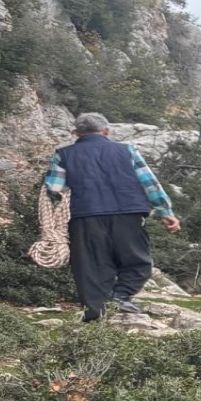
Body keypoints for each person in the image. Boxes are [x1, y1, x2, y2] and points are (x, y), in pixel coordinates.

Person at [43, 112, 181, 322]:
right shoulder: (127, 150)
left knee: (90, 265)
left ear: (76, 133)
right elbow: (149, 182)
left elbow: (54, 189)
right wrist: (165, 212)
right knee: (137, 260)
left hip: (85, 216)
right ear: (106, 131)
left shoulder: (63, 154)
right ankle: (121, 295)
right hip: (128, 212)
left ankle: (94, 313)